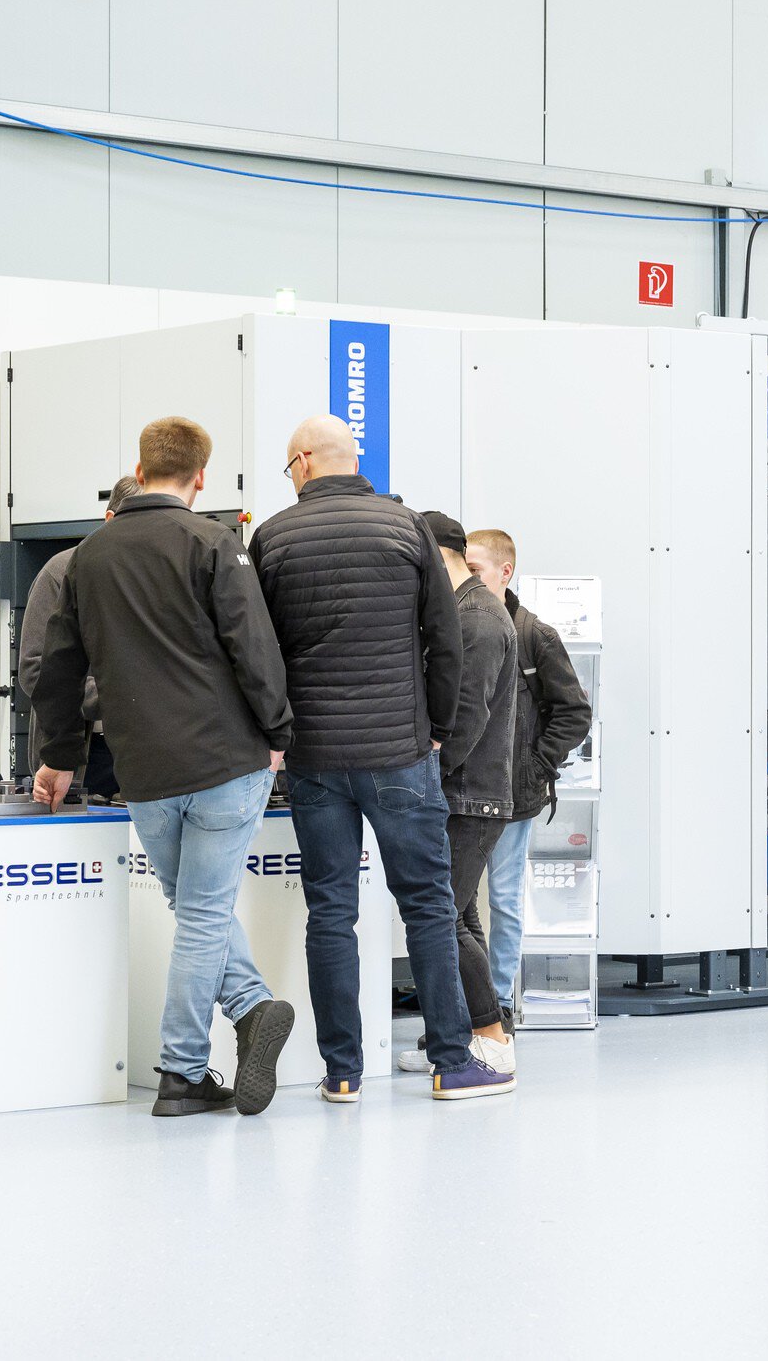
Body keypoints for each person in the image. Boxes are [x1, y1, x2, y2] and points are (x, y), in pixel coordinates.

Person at [31, 418, 297, 1118]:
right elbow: (254, 649)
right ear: (201, 476)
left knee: (193, 908)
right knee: (205, 913)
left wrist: (60, 756)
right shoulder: (213, 543)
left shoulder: (86, 558)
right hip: (224, 760)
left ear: (140, 467)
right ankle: (182, 1070)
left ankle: (249, 1010)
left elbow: (58, 670)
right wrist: (278, 732)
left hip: (142, 770)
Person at [250, 414, 511, 1102]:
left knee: (330, 911)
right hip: (400, 752)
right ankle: (452, 1062)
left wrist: (278, 734)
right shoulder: (407, 528)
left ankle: (342, 1072)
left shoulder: (272, 537)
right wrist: (437, 728)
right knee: (427, 906)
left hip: (314, 757)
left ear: (304, 461)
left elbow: (260, 654)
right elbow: (444, 639)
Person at [392, 512, 521, 1079]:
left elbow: (465, 718)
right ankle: (466, 1034)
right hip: (465, 793)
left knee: (443, 916)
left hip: (469, 795)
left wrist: (426, 777)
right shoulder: (465, 612)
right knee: (459, 914)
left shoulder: (478, 620)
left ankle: (491, 1033)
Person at [461, 528, 593, 1012]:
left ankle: (497, 1004)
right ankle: (470, 1005)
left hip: (513, 794)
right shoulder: (459, 625)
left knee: (503, 898)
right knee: (458, 906)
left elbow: (574, 712)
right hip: (463, 790)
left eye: (474, 570)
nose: (465, 580)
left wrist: (536, 766)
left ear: (505, 572)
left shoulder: (535, 635)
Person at [18, 475, 139, 799]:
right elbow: (34, 670)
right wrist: (118, 696)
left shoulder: (154, 578)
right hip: (81, 756)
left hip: (141, 754)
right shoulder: (59, 574)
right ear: (110, 519)